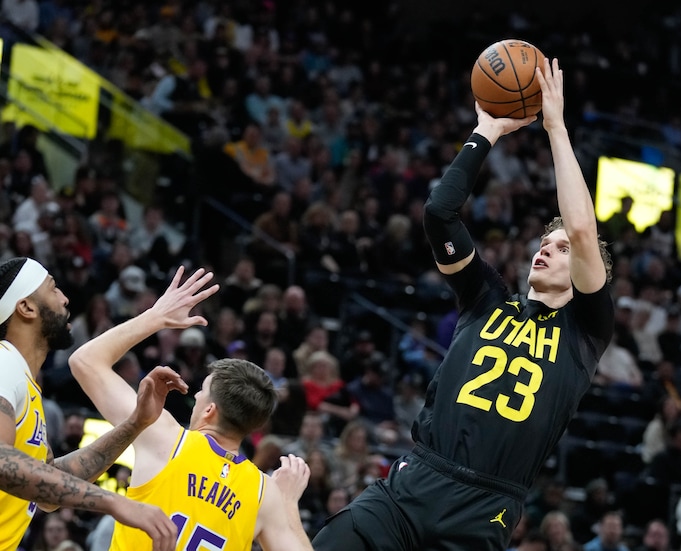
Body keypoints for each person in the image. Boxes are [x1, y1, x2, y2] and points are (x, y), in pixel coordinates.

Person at [312, 58, 614, 550]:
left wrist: (555, 127)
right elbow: (439, 213)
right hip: (413, 482)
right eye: (545, 242)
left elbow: (582, 231)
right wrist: (486, 131)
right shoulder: (486, 299)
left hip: (483, 510)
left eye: (561, 250)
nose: (547, 248)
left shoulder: (585, 329)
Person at [68, 266, 314, 550]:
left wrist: (155, 317)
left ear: (210, 411)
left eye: (201, 393)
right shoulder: (264, 493)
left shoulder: (165, 438)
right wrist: (287, 505)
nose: (196, 398)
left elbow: (85, 362)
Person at [0, 256, 178, 551]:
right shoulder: (4, 363)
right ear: (26, 307)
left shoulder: (22, 380)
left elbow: (48, 488)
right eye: (53, 289)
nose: (65, 298)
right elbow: (3, 462)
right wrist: (114, 502)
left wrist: (135, 423)